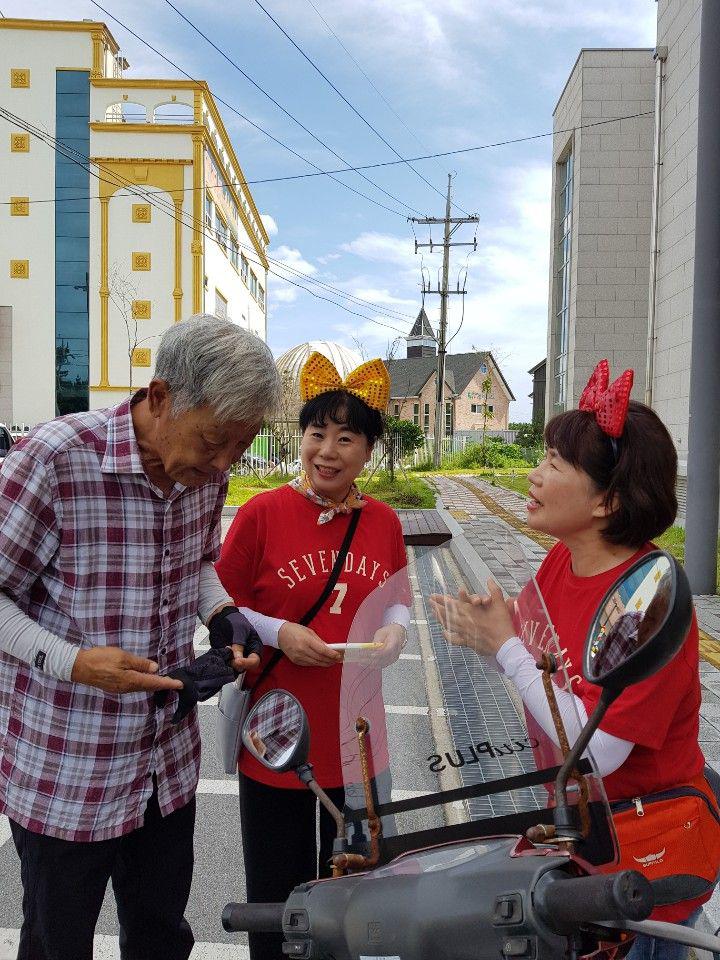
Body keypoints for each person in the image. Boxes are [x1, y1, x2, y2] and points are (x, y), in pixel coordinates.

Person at [0, 314, 280, 960]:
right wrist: (71, 662)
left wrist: (222, 615)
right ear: (160, 397)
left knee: (159, 936)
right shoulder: (55, 459)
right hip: (66, 770)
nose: (223, 465)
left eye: (238, 450)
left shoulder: (203, 475)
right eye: (214, 442)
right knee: (55, 943)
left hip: (164, 764)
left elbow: (200, 560)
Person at [430, 359, 719, 960]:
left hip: (644, 856)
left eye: (554, 466)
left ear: (607, 501)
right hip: (583, 836)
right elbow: (542, 673)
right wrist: (489, 632)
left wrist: (502, 646)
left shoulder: (649, 601)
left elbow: (603, 751)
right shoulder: (562, 561)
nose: (533, 478)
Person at [215, 351, 409, 960]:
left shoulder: (382, 522)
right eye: (316, 433)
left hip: (358, 741)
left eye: (346, 437)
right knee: (277, 898)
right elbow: (219, 608)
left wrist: (397, 631)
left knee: (355, 897)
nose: (327, 450)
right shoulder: (261, 514)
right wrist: (278, 634)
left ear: (368, 449)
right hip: (277, 735)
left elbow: (397, 599)